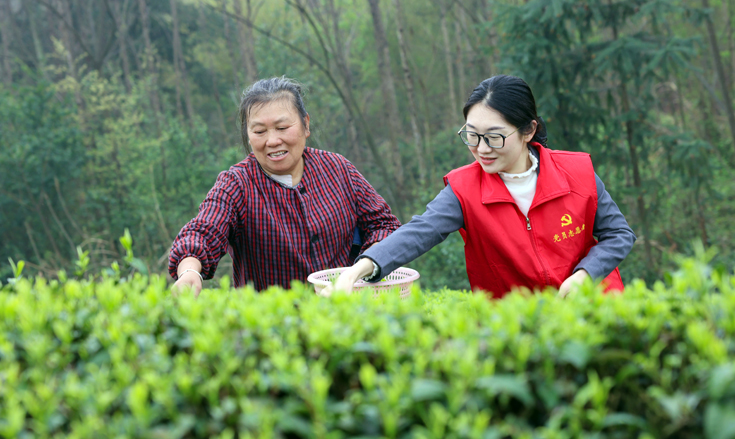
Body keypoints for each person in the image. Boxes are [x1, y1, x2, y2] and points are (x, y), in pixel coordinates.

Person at [329, 75, 635, 298]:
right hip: (521, 325)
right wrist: (359, 269)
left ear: (528, 130)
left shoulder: (577, 172)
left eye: (494, 137)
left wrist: (585, 275)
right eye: (472, 135)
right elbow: (419, 232)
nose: (482, 149)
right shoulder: (464, 189)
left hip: (593, 306)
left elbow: (619, 234)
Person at [169, 77, 401, 296]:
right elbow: (203, 231)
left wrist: (360, 270)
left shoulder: (338, 169)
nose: (272, 141)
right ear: (248, 136)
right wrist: (190, 272)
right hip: (272, 320)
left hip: (342, 311)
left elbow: (384, 225)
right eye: (259, 131)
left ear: (305, 125)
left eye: (282, 128)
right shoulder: (237, 184)